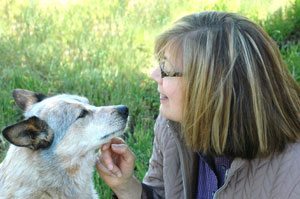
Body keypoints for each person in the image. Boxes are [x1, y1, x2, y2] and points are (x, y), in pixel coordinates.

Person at [96, 11, 300, 199]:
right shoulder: (171, 125)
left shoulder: (293, 174)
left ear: (210, 89)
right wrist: (125, 185)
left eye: (166, 69)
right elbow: (164, 193)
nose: (154, 75)